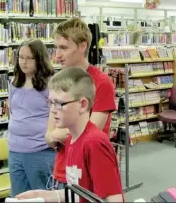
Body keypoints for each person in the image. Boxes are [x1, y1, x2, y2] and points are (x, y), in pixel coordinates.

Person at [16, 67, 123, 203]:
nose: (53, 110)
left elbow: (113, 198)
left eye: (59, 103)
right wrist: (43, 195)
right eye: (50, 102)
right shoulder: (71, 140)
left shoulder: (94, 143)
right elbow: (80, 192)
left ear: (83, 105)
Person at [45, 18, 117, 189]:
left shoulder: (101, 82)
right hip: (62, 172)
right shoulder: (59, 82)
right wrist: (55, 136)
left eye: (64, 48)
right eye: (56, 48)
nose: (57, 55)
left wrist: (58, 134)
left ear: (82, 46)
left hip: (88, 174)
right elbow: (49, 136)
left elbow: (88, 135)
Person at [8, 39, 55, 196]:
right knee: (19, 196)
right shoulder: (15, 83)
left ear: (40, 59)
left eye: (29, 58)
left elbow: (56, 116)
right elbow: (13, 111)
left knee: (41, 196)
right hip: (15, 151)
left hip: (39, 150)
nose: (23, 62)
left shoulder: (50, 85)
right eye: (21, 57)